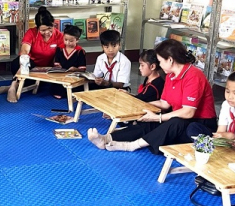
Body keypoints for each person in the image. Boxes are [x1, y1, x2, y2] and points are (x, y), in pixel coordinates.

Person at [87, 39, 217, 153]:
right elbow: (164, 103)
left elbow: (188, 112)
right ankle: (107, 138)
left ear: (170, 60)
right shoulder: (170, 75)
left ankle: (132, 145)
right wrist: (139, 106)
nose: (159, 65)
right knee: (150, 120)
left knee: (172, 122)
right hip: (181, 118)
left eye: (160, 61)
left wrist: (158, 118)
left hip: (199, 125)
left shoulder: (194, 76)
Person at [0, 6, 64, 103]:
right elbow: (24, 51)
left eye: (49, 29)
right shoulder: (31, 33)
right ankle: (12, 88)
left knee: (39, 85)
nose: (47, 32)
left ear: (53, 24)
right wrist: (23, 65)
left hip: (46, 70)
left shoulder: (59, 35)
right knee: (18, 62)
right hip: (30, 66)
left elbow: (62, 54)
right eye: (43, 30)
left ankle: (9, 87)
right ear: (37, 28)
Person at [51, 25, 87, 99]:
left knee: (76, 86)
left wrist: (75, 69)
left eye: (71, 41)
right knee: (56, 85)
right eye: (65, 40)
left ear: (77, 40)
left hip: (74, 75)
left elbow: (82, 68)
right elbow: (56, 62)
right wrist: (58, 67)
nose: (67, 43)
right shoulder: (59, 49)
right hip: (61, 75)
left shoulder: (80, 51)